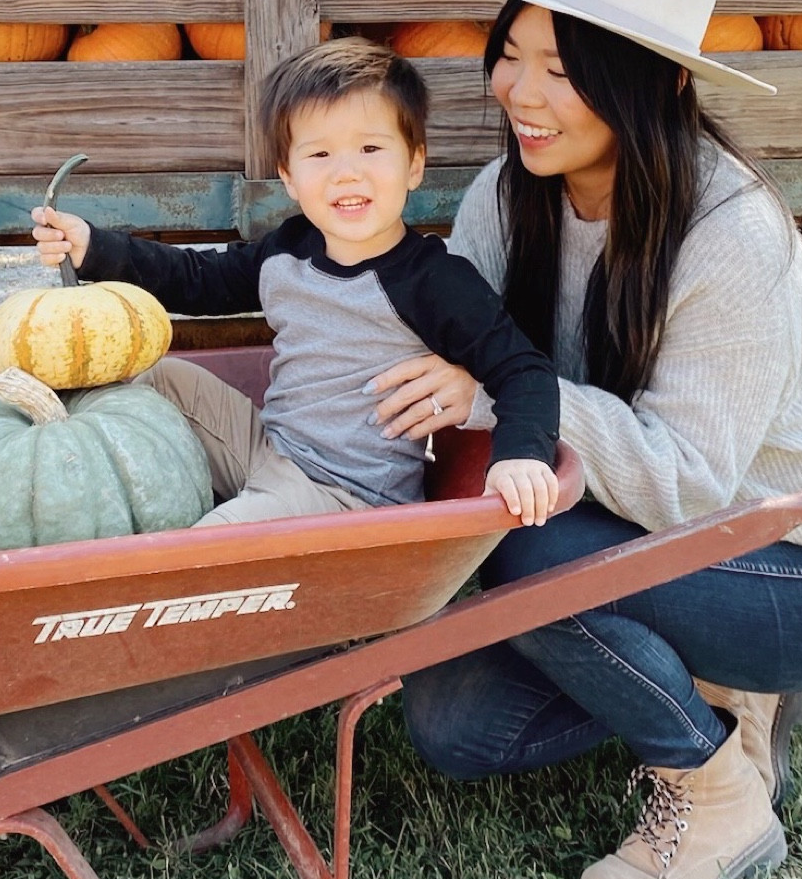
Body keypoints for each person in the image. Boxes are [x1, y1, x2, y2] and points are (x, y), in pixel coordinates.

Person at [376, 0, 802, 879]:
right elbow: (447, 352)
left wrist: (503, 391)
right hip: (653, 528)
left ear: (658, 81)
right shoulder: (506, 196)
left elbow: (688, 482)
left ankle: (716, 795)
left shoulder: (731, 235)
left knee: (527, 551)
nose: (521, 91)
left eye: (563, 67)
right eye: (512, 54)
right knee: (458, 724)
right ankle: (710, 676)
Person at [32, 38, 561, 527]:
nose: (346, 172)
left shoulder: (434, 280)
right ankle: (66, 474)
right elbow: (199, 279)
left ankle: (210, 534)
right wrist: (94, 247)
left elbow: (523, 369)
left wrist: (521, 455)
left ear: (414, 164)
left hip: (345, 495)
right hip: (269, 449)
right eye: (320, 154)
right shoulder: (287, 250)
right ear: (288, 175)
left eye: (370, 149)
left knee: (207, 545)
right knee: (160, 377)